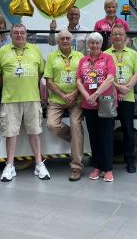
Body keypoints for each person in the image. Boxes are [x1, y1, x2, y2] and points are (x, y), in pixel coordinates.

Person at [0, 23, 50, 182]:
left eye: (22, 33)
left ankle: (39, 164)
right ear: (11, 35)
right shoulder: (3, 52)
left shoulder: (35, 50)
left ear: (26, 35)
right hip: (10, 99)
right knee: (10, 134)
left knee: (35, 132)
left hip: (32, 99)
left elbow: (41, 74)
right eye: (16, 33)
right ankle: (10, 166)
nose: (19, 35)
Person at [44, 30, 84, 181]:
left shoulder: (79, 56)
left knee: (75, 124)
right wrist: (64, 95)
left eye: (68, 38)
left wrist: (73, 94)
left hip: (76, 98)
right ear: (58, 41)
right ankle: (76, 139)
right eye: (62, 38)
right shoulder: (51, 57)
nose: (65, 40)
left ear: (71, 40)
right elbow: (49, 82)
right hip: (57, 99)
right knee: (51, 125)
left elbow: (83, 79)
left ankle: (76, 167)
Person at [76, 32, 117, 182]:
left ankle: (108, 169)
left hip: (105, 103)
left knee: (106, 136)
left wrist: (96, 94)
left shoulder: (108, 58)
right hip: (88, 104)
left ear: (101, 45)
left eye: (97, 43)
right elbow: (79, 81)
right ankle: (97, 167)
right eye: (92, 42)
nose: (94, 45)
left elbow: (110, 77)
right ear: (88, 44)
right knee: (94, 137)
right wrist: (87, 96)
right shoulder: (83, 61)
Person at [104, 24, 137, 173]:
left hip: (128, 97)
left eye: (120, 34)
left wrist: (126, 88)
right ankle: (107, 161)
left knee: (128, 129)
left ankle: (130, 160)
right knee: (107, 129)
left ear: (125, 37)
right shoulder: (106, 54)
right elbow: (105, 76)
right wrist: (118, 88)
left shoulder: (132, 54)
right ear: (111, 37)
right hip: (109, 97)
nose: (118, 37)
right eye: (115, 34)